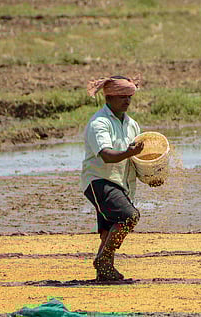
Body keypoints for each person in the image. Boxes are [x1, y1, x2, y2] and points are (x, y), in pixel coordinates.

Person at [81, 74, 144, 281]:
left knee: (109, 228)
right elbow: (107, 156)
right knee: (129, 217)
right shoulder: (99, 123)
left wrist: (150, 176)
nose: (127, 100)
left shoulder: (131, 124)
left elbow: (136, 158)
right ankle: (104, 259)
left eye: (129, 96)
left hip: (120, 182)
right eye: (122, 96)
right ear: (108, 98)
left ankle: (104, 272)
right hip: (99, 180)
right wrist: (129, 153)